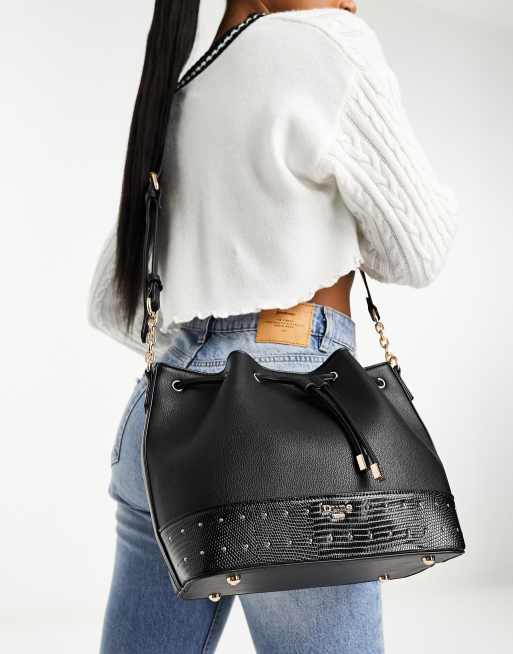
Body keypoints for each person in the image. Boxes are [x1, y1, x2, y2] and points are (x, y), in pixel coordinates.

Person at [88, 1, 458, 652]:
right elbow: (419, 249)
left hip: (160, 429)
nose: (351, 0)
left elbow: (110, 302)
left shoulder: (178, 87)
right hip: (295, 423)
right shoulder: (327, 44)